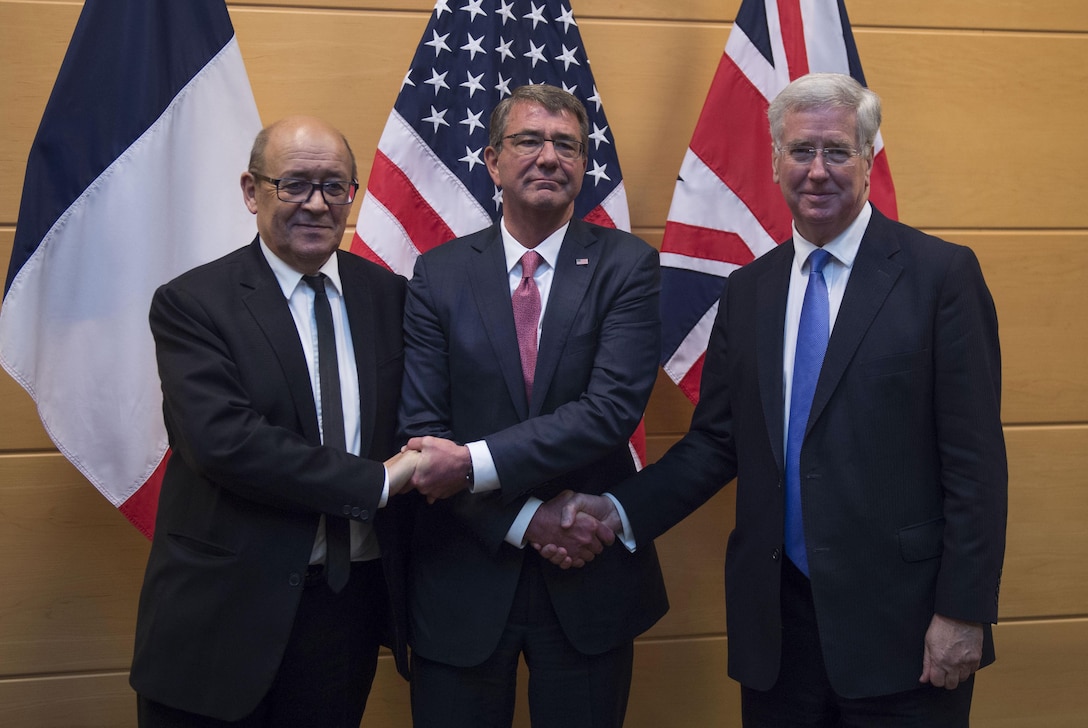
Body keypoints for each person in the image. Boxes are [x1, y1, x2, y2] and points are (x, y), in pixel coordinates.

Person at [548, 73, 1008, 726]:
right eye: (800, 151)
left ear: (869, 158)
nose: (817, 170)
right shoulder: (750, 290)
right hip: (778, 634)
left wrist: (963, 612)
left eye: (837, 151)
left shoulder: (940, 277)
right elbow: (716, 442)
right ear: (774, 161)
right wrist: (616, 510)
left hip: (904, 631)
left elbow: (975, 462)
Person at [129, 116, 417, 727]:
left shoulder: (390, 297)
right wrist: (377, 482)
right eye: (294, 184)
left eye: (335, 186)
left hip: (346, 610)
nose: (317, 203)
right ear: (251, 190)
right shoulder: (193, 304)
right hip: (220, 617)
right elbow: (223, 444)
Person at [397, 84, 668, 728]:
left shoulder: (627, 266)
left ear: (583, 164)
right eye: (528, 140)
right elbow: (422, 434)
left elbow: (609, 411)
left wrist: (471, 463)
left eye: (566, 145)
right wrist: (522, 520)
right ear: (492, 162)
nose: (548, 157)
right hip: (462, 572)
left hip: (589, 578)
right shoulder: (438, 274)